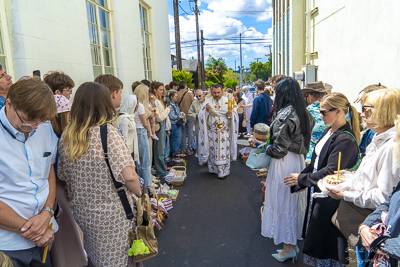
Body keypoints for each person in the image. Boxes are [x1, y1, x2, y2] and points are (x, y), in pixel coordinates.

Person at [58, 82, 141, 267]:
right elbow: (129, 176)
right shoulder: (108, 133)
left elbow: (63, 176)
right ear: (104, 104)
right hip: (112, 215)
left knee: (96, 257)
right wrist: (140, 192)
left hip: (83, 213)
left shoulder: (66, 136)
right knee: (118, 260)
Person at [325, 89, 400, 267]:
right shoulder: (378, 138)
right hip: (367, 221)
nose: (362, 113)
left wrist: (345, 195)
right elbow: (373, 178)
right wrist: (352, 175)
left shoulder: (391, 147)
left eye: (367, 108)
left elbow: (384, 197)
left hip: (372, 224)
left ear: (384, 111)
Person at [284, 92, 360, 267]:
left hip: (330, 199)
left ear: (339, 111)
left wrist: (304, 179)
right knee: (318, 240)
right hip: (320, 192)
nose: (320, 116)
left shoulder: (345, 139)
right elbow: (317, 160)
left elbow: (330, 170)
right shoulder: (330, 130)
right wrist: (303, 179)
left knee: (327, 243)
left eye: (324, 112)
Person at [0, 77, 58, 266]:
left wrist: (48, 211)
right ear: (9, 104)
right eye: (28, 120)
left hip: (45, 235)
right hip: (7, 245)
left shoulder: (44, 128)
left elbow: (48, 172)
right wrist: (32, 231)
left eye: (40, 121)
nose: (34, 127)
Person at [261, 78, 314, 263]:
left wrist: (263, 147)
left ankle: (288, 247)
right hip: (296, 161)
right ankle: (290, 243)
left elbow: (278, 149)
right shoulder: (304, 112)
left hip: (284, 162)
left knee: (284, 202)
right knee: (293, 202)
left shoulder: (286, 114)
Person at [50, 95, 87, 267]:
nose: (71, 117)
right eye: (68, 114)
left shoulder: (59, 136)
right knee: (68, 235)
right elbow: (61, 171)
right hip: (60, 192)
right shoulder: (58, 138)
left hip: (61, 190)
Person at [198, 83, 238, 179]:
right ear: (211, 91)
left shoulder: (229, 101)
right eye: (214, 92)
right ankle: (213, 169)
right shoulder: (207, 102)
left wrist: (230, 114)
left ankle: (223, 171)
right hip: (212, 133)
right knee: (213, 152)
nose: (216, 94)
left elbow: (235, 115)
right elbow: (200, 115)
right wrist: (206, 111)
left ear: (222, 91)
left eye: (218, 92)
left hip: (224, 132)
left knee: (223, 152)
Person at [301, 81, 331, 163]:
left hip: (311, 157)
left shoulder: (306, 112)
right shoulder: (333, 110)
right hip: (329, 154)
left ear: (309, 96)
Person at [133, 85, 153, 191]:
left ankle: (142, 188)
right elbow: (144, 122)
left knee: (138, 162)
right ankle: (148, 188)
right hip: (141, 131)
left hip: (135, 132)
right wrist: (149, 131)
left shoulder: (133, 104)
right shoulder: (140, 105)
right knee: (145, 162)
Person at [150, 81, 171, 179]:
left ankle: (162, 170)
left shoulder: (158, 100)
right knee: (160, 150)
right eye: (160, 90)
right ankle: (161, 172)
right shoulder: (155, 101)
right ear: (155, 90)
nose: (162, 92)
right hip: (159, 126)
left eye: (163, 90)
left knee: (161, 149)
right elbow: (159, 117)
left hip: (162, 126)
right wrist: (168, 109)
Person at [177, 81, 195, 154]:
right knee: (190, 132)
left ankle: (183, 148)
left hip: (181, 116)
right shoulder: (189, 94)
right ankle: (189, 148)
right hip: (189, 115)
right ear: (185, 86)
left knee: (183, 132)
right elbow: (193, 103)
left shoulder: (176, 94)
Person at [188, 89, 205, 155]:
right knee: (199, 140)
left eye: (200, 96)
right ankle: (199, 154)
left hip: (207, 125)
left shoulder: (208, 102)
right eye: (197, 96)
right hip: (198, 125)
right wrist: (196, 115)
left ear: (203, 94)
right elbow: (189, 113)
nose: (198, 98)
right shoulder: (194, 103)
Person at [169, 91, 185, 156]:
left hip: (177, 123)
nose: (177, 98)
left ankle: (177, 152)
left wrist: (180, 113)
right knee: (175, 139)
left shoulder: (175, 104)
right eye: (175, 96)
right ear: (171, 97)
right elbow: (171, 116)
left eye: (177, 97)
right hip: (174, 124)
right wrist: (179, 116)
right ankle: (175, 154)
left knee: (178, 139)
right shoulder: (171, 105)